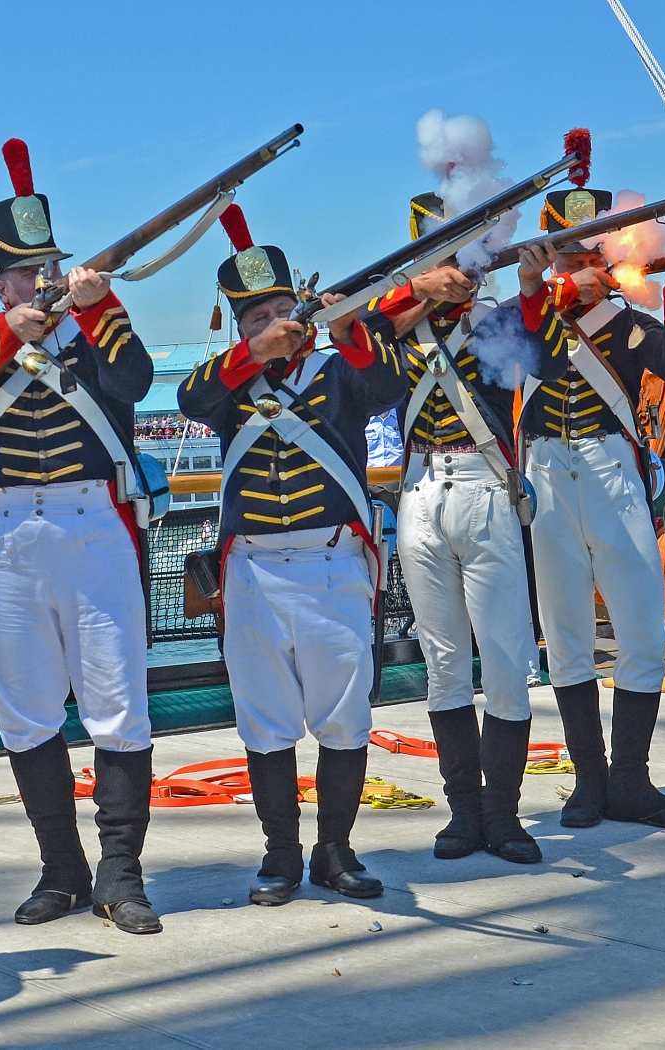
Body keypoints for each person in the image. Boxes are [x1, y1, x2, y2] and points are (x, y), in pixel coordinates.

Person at [0, 139, 159, 935]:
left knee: (118, 707)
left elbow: (134, 383)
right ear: (2, 283)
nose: (43, 282)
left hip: (95, 529)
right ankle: (62, 870)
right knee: (25, 713)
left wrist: (98, 307)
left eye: (51, 267)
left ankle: (121, 874)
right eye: (28, 274)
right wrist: (3, 326)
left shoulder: (95, 336)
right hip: (10, 539)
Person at [177, 205, 407, 906]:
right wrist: (254, 353)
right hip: (252, 570)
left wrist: (348, 329)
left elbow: (386, 386)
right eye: (256, 317)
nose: (272, 322)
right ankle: (279, 855)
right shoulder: (228, 383)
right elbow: (193, 398)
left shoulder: (338, 373)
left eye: (282, 308)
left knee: (343, 716)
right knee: (266, 719)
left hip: (331, 561)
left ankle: (335, 850)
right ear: (240, 327)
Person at [509, 130, 665, 831]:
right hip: (547, 475)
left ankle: (630, 781)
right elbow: (517, 357)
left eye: (591, 251)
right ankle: (588, 783)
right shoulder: (523, 316)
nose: (583, 263)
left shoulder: (623, 319)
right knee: (564, 635)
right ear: (549, 254)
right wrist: (536, 289)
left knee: (640, 634)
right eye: (569, 251)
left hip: (611, 469)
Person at [367, 190, 543, 864]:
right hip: (418, 488)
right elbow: (348, 337)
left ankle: (502, 816)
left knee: (503, 662)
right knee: (442, 665)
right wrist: (415, 288)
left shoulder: (497, 320)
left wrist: (528, 284)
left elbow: (543, 355)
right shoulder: (397, 322)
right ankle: (462, 814)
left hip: (483, 486)